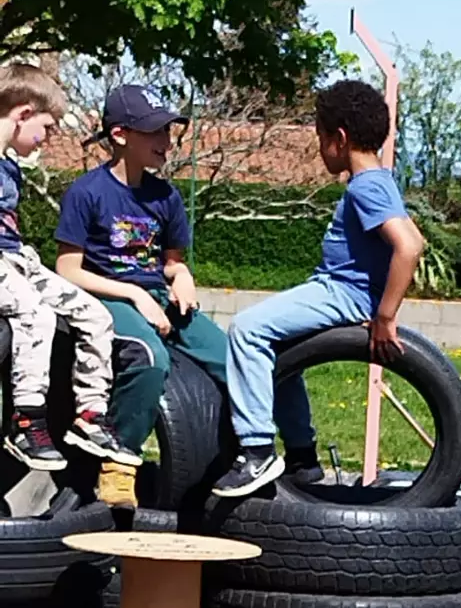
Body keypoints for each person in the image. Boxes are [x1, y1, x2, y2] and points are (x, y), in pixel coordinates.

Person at [213, 79, 425, 498]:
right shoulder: (380, 180)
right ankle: (303, 458)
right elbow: (414, 236)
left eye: (320, 138)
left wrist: (384, 315)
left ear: (339, 139)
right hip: (342, 289)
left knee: (247, 329)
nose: (319, 149)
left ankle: (256, 450)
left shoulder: (366, 185)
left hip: (342, 291)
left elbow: (410, 245)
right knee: (276, 352)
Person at [55, 84, 227, 505]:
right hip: (105, 298)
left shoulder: (165, 197)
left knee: (232, 358)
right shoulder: (86, 192)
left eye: (169, 132)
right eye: (154, 133)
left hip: (157, 295)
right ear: (120, 136)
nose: (166, 143)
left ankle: (235, 459)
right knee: (151, 360)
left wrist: (181, 274)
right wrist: (133, 296)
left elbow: (170, 261)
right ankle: (118, 462)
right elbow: (67, 271)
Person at [0, 63, 114, 471]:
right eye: (48, 127)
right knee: (34, 314)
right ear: (23, 113)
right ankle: (27, 420)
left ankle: (90, 415)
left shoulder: (9, 166)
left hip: (14, 257)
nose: (49, 139)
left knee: (94, 314)